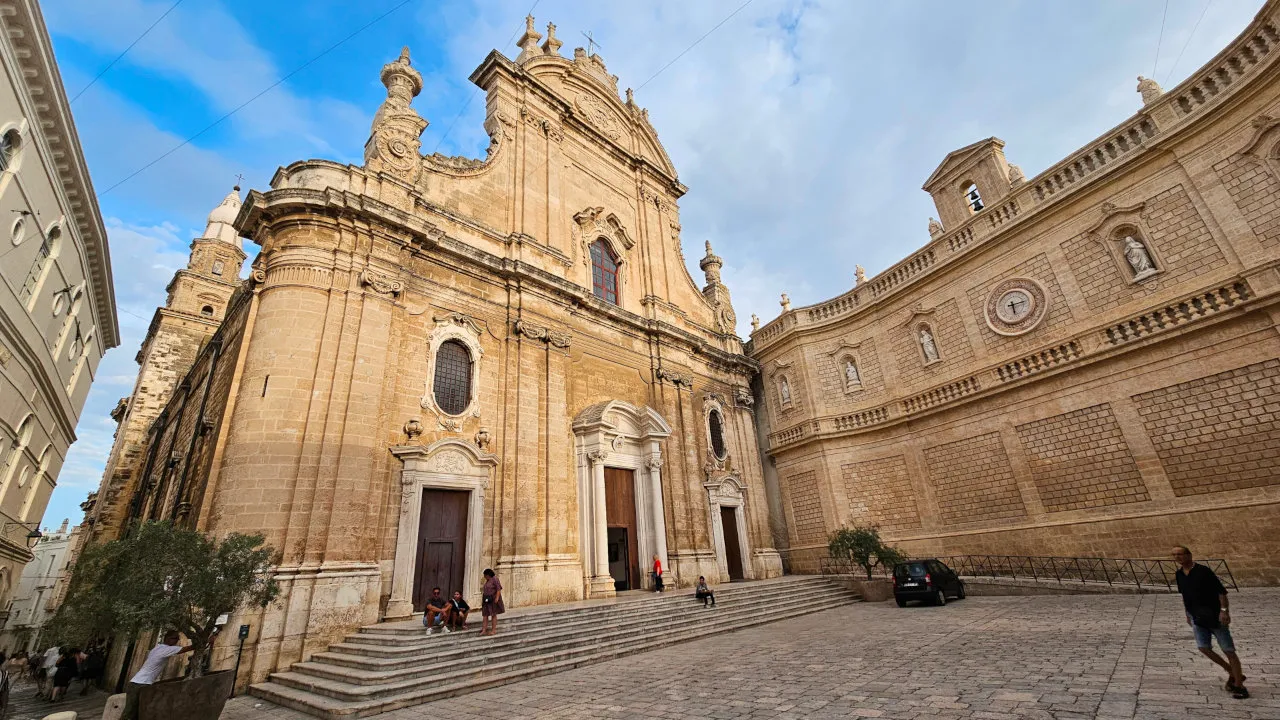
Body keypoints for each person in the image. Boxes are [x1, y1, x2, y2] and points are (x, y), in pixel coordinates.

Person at [1174, 546, 1248, 699]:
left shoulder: (1203, 571)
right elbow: (1184, 595)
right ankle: (1233, 672)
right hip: (1196, 617)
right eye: (1174, 555)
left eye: (1180, 554)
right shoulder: (1179, 574)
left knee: (1228, 650)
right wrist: (1187, 613)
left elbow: (1221, 592)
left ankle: (1240, 686)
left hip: (1214, 616)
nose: (1177, 557)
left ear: (1189, 555)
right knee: (1203, 648)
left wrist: (1224, 611)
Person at [122, 630, 204, 720]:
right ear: (168, 639)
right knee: (129, 713)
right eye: (175, 638)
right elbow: (188, 648)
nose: (177, 641)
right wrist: (205, 641)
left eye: (178, 639)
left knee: (137, 712)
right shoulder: (166, 649)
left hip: (139, 683)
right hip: (140, 683)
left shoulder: (158, 648)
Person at [480, 568, 504, 637]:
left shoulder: (495, 579)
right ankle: (484, 630)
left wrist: (497, 598)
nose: (484, 576)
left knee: (493, 614)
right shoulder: (487, 580)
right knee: (485, 615)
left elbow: (498, 589)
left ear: (488, 575)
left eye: (485, 575)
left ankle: (493, 630)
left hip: (493, 599)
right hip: (486, 600)